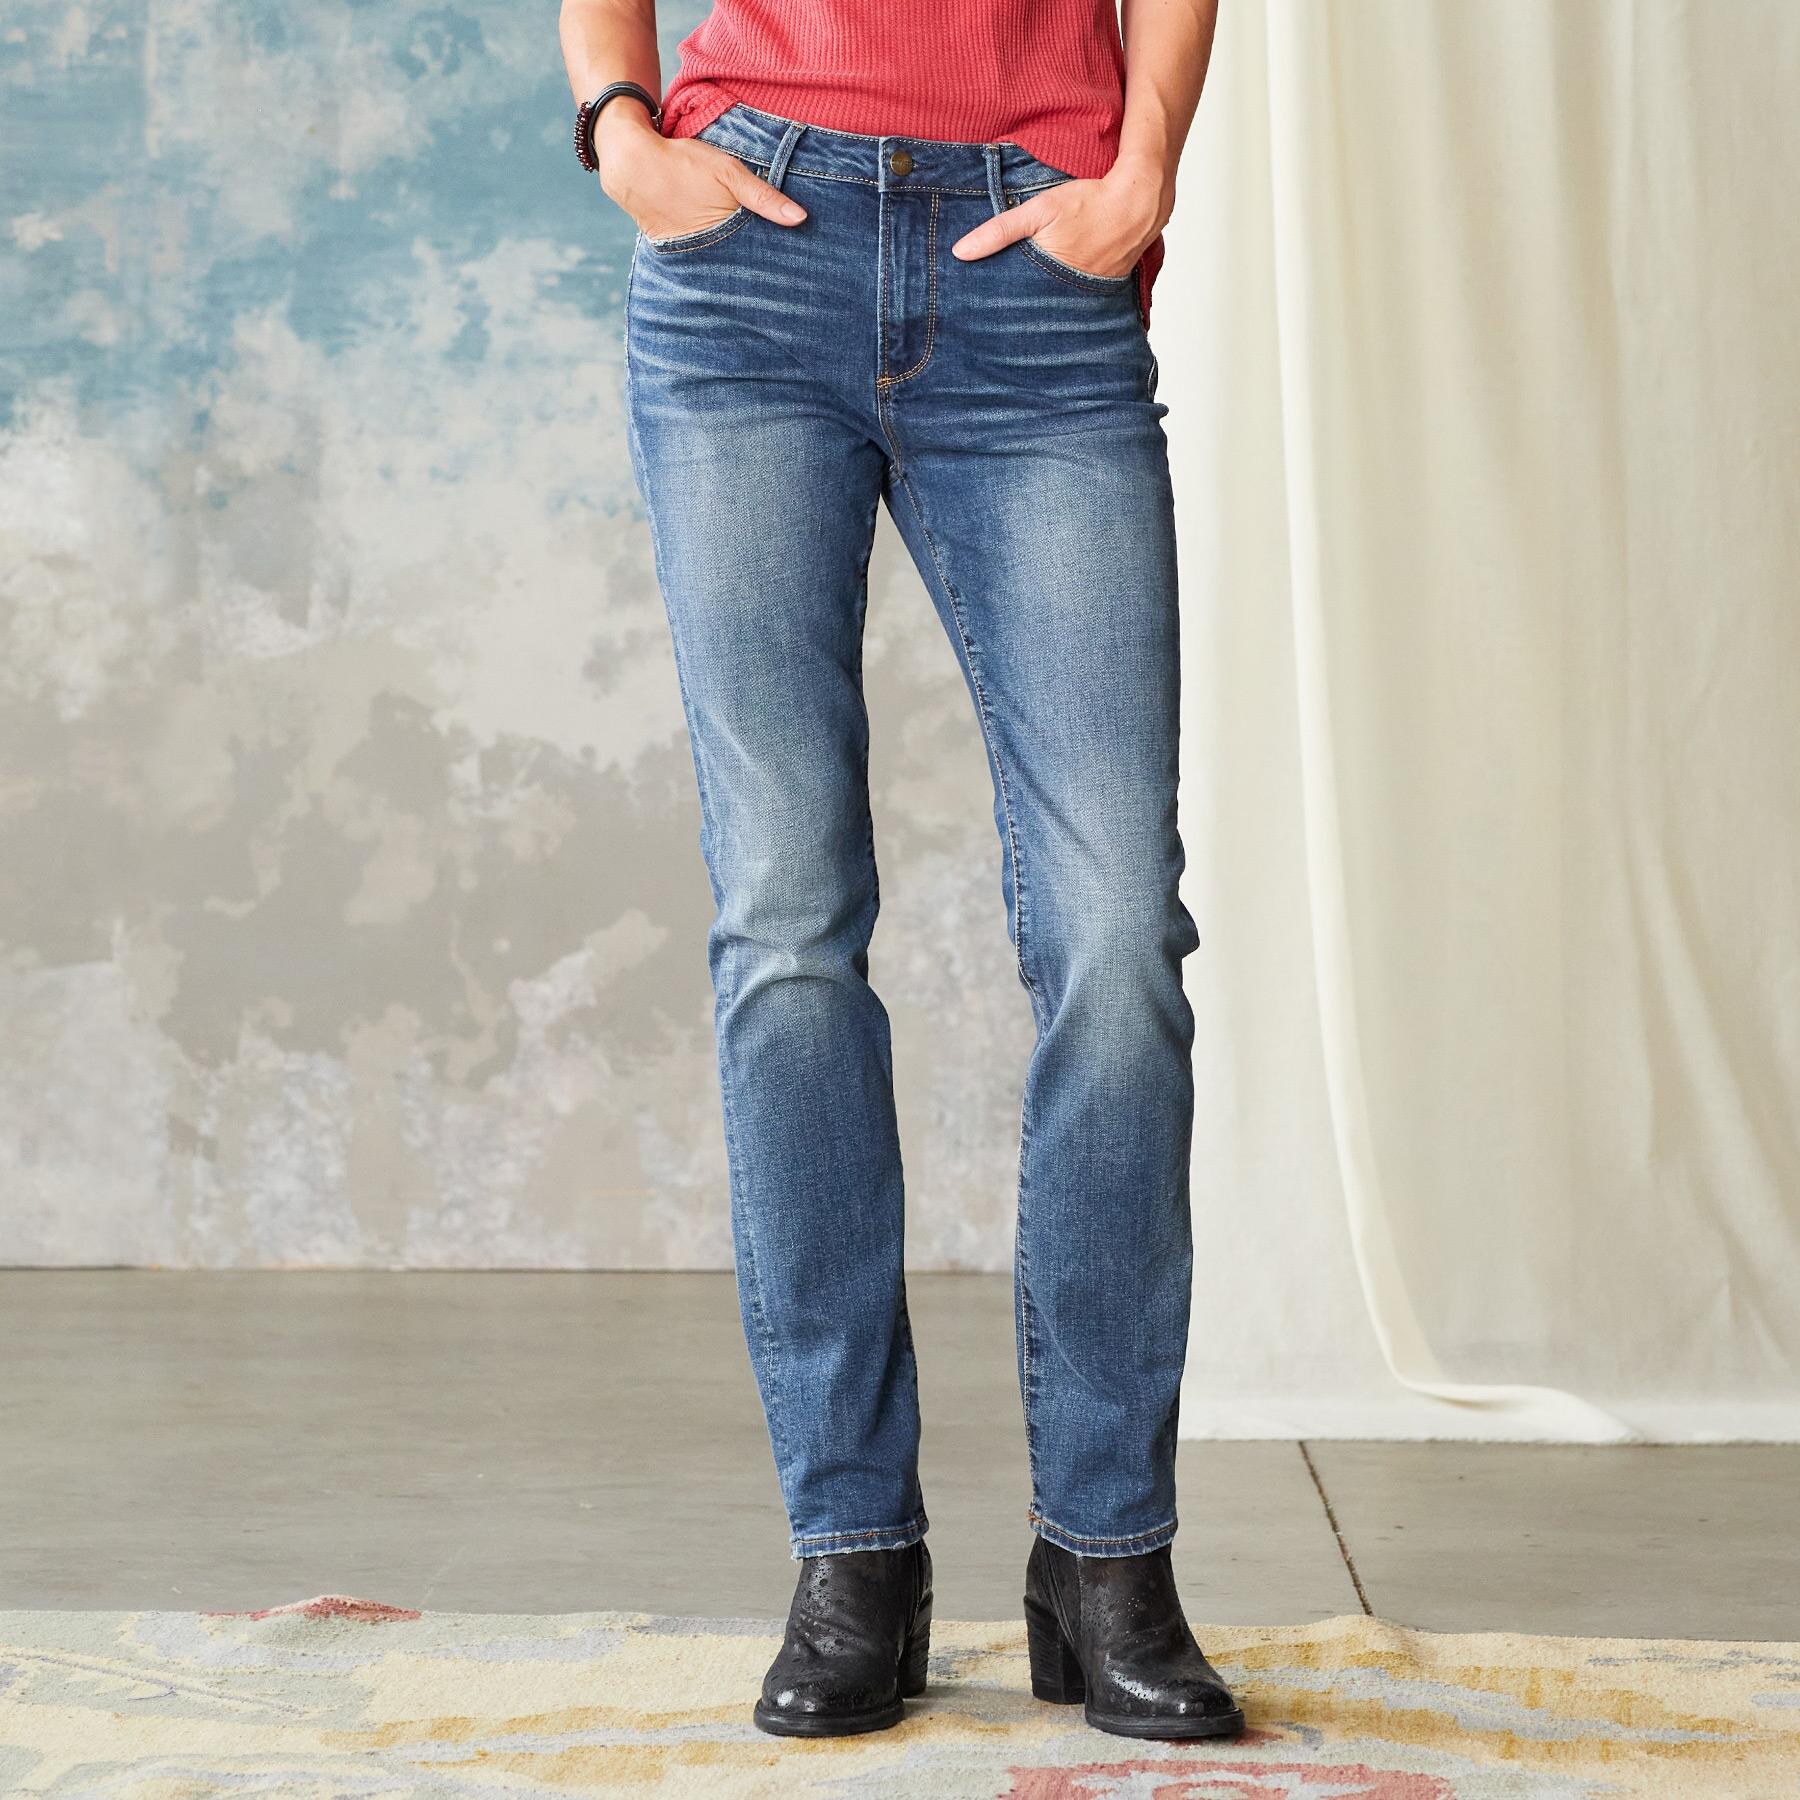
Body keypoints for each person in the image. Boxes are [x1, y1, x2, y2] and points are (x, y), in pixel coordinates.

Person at [559, 0, 1244, 1743]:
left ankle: (1108, 1556)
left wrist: (1144, 170)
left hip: (1032, 259)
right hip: (747, 263)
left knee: (1115, 935)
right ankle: (853, 1551)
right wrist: (621, 134)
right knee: (786, 924)